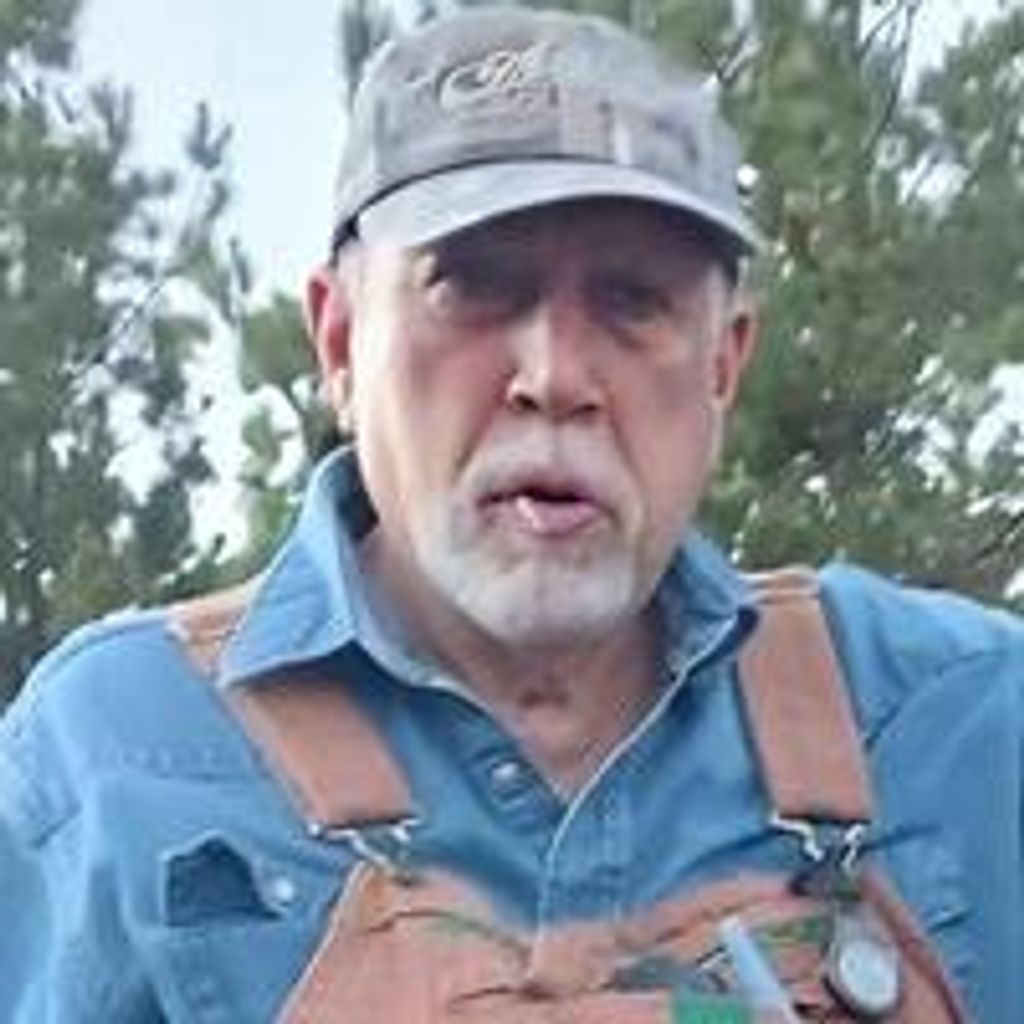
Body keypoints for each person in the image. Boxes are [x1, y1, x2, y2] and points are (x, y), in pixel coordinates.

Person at [1, 6, 1020, 1022]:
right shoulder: (113, 755)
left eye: (633, 300)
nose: (554, 375)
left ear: (722, 364)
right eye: (471, 287)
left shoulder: (965, 723)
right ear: (340, 343)